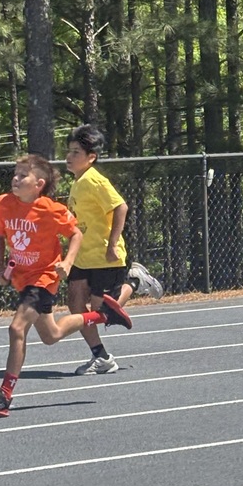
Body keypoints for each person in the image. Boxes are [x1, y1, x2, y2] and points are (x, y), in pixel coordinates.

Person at [0, 154, 132, 417]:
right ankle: (103, 315)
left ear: (39, 184)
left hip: (44, 277)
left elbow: (75, 233)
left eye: (23, 175)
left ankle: (4, 394)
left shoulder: (49, 209)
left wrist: (68, 263)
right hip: (22, 278)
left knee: (16, 328)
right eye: (15, 173)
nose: (16, 178)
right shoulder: (4, 204)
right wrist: (1, 268)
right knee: (52, 334)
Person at [65, 124, 163, 375]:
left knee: (101, 313)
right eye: (69, 151)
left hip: (105, 257)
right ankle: (102, 357)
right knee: (75, 303)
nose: (69, 156)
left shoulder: (95, 180)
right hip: (83, 257)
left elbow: (121, 207)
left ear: (91, 157)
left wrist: (111, 243)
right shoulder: (77, 182)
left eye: (76, 152)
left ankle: (134, 282)